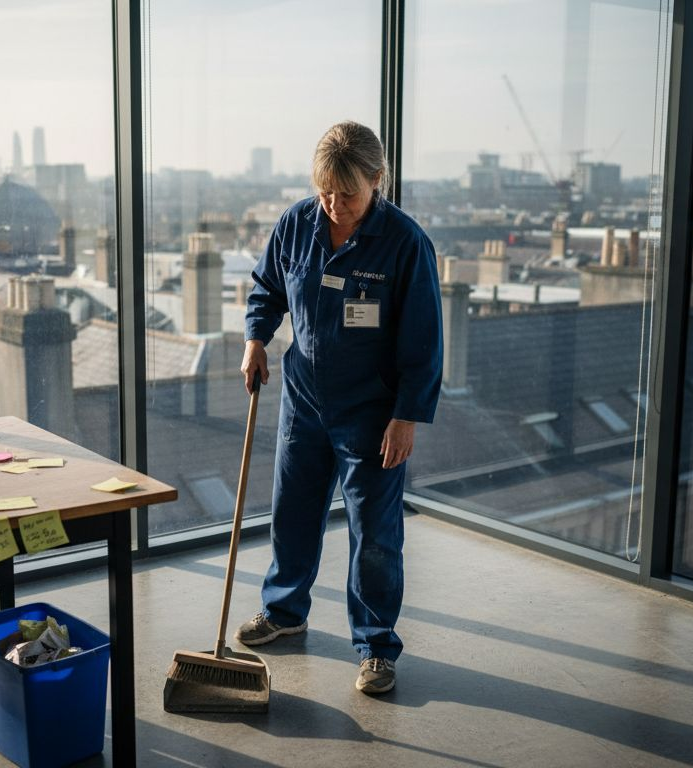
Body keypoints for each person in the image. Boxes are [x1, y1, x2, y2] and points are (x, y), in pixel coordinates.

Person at [235, 121, 443, 695]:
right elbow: (268, 287)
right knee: (292, 511)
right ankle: (284, 611)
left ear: (377, 181)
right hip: (305, 397)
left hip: (372, 412)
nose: (334, 204)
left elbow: (424, 341)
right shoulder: (297, 223)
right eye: (326, 190)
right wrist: (257, 338)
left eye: (347, 193)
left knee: (373, 536)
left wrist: (406, 416)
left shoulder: (405, 244)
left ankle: (376, 645)